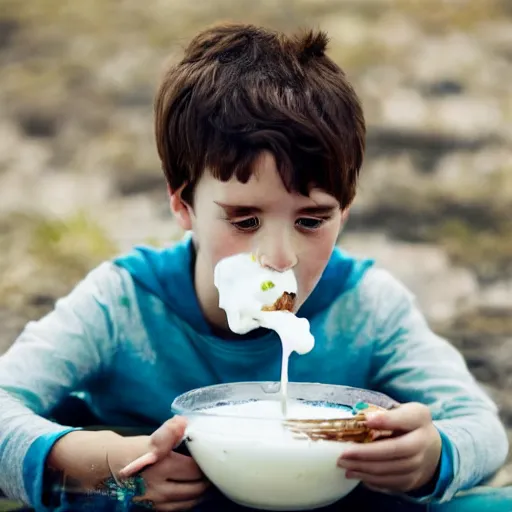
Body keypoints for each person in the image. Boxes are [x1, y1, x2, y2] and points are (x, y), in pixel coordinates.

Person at [0, 22, 510, 512]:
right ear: (183, 205)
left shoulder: (369, 308)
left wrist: (431, 455)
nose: (281, 256)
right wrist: (89, 466)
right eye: (245, 220)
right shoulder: (123, 303)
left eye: (312, 221)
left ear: (344, 213)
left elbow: (482, 428)